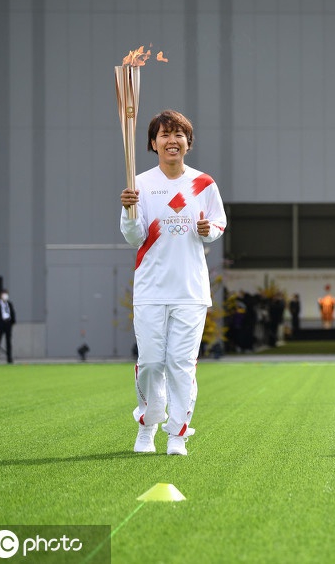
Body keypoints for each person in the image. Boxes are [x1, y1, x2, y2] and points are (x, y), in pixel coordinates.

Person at [120, 110, 227, 456]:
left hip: (190, 290)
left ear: (188, 143)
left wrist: (208, 230)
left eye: (178, 134)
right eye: (164, 134)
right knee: (152, 362)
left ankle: (177, 434)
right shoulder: (139, 184)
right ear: (153, 143)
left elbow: (218, 223)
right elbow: (133, 237)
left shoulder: (203, 184)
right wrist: (129, 211)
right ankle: (148, 425)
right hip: (151, 288)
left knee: (181, 364)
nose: (172, 140)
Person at [0, 289, 16, 364]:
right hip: (0, 325)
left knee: (8, 342)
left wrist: (12, 322)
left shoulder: (9, 304)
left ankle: (9, 358)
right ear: (1, 295)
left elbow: (12, 313)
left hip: (7, 324)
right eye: (4, 294)